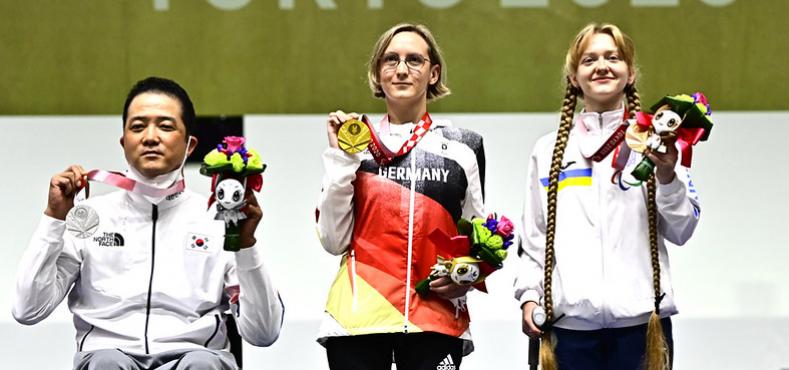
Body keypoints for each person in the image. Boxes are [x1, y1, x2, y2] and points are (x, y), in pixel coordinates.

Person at [12, 77, 284, 370]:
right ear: (124, 141)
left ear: (190, 144)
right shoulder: (90, 217)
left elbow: (263, 333)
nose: (150, 137)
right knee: (106, 363)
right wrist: (54, 219)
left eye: (166, 126)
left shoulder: (217, 220)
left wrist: (245, 246)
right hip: (107, 357)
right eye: (138, 127)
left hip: (197, 358)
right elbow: (28, 310)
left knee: (201, 365)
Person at [514, 23, 701, 370]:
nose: (601, 66)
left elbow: (683, 229)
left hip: (642, 328)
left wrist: (666, 173)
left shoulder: (658, 142)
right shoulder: (548, 150)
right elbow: (534, 238)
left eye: (612, 57)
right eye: (589, 60)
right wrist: (528, 296)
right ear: (574, 77)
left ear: (630, 74)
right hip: (569, 332)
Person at [316, 23, 486, 370]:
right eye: (391, 60)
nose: (402, 69)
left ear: (433, 72)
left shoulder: (464, 147)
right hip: (358, 318)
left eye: (415, 60)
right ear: (378, 74)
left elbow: (476, 237)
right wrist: (340, 158)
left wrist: (467, 277)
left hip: (434, 316)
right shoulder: (356, 146)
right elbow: (333, 240)